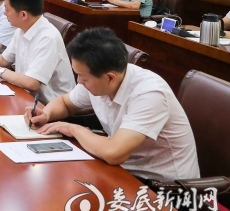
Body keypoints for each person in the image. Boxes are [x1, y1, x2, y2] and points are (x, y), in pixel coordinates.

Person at [29, 28, 199, 182]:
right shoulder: (99, 78)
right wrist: (46, 114)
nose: (79, 81)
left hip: (164, 187)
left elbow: (114, 153)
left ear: (110, 78)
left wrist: (73, 129)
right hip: (122, 170)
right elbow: (65, 103)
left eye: (83, 77)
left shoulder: (149, 93)